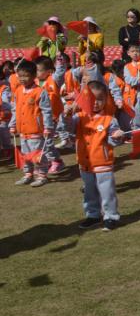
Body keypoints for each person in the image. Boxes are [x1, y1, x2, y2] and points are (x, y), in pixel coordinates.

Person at [67, 80, 126, 231]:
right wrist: (66, 115)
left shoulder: (110, 119)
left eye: (100, 99)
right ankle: (92, 215)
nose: (95, 103)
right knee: (89, 191)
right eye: (92, 99)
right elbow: (68, 129)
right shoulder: (79, 117)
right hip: (85, 162)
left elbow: (113, 140)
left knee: (107, 191)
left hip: (102, 162)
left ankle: (111, 216)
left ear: (106, 99)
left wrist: (117, 136)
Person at [10, 60, 53, 187]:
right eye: (20, 75)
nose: (22, 79)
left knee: (37, 155)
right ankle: (28, 174)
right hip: (22, 131)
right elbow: (14, 109)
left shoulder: (40, 92)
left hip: (35, 130)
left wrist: (48, 126)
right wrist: (12, 124)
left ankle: (42, 175)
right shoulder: (18, 91)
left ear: (34, 76)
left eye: (26, 76)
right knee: (25, 155)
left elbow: (46, 111)